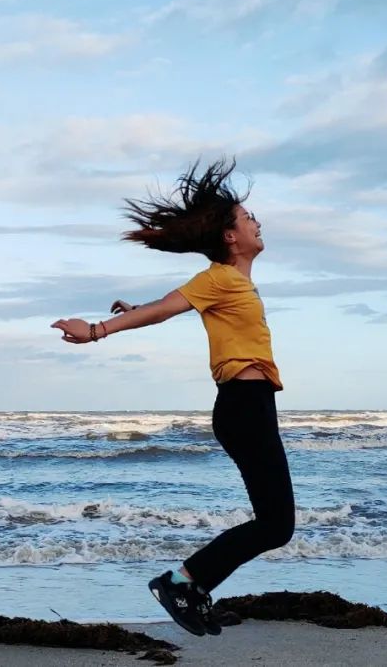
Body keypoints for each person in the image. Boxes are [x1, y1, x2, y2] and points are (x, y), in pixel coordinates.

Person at [51, 159, 294, 637]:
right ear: (230, 236)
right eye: (248, 219)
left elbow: (173, 305)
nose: (257, 223)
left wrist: (137, 307)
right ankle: (182, 582)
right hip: (244, 407)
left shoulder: (235, 282)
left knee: (273, 522)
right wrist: (97, 330)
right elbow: (168, 309)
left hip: (252, 406)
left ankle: (192, 587)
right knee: (276, 525)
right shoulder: (220, 277)